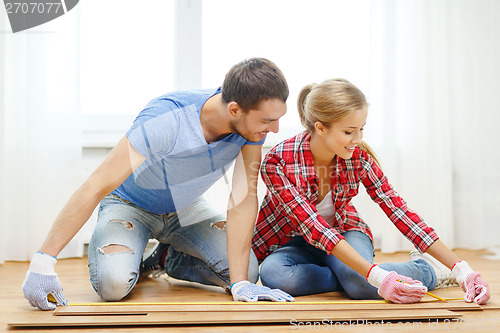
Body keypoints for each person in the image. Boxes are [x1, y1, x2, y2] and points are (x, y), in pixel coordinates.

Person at [22, 58, 295, 311]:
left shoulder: (250, 127)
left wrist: (239, 285)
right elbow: (96, 185)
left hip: (185, 207)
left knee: (246, 272)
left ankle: (165, 258)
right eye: (268, 121)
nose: (275, 129)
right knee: (113, 285)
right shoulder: (167, 118)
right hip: (129, 204)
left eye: (278, 118)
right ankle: (132, 248)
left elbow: (243, 197)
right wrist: (43, 263)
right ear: (235, 109)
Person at [252, 79, 490, 304]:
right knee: (275, 275)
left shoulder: (359, 158)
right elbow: (313, 226)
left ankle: (427, 270)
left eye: (361, 129)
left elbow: (398, 210)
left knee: (361, 283)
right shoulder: (277, 162)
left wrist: (461, 269)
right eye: (348, 132)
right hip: (294, 240)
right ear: (320, 128)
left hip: (345, 231)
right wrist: (375, 277)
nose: (358, 139)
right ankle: (350, 276)